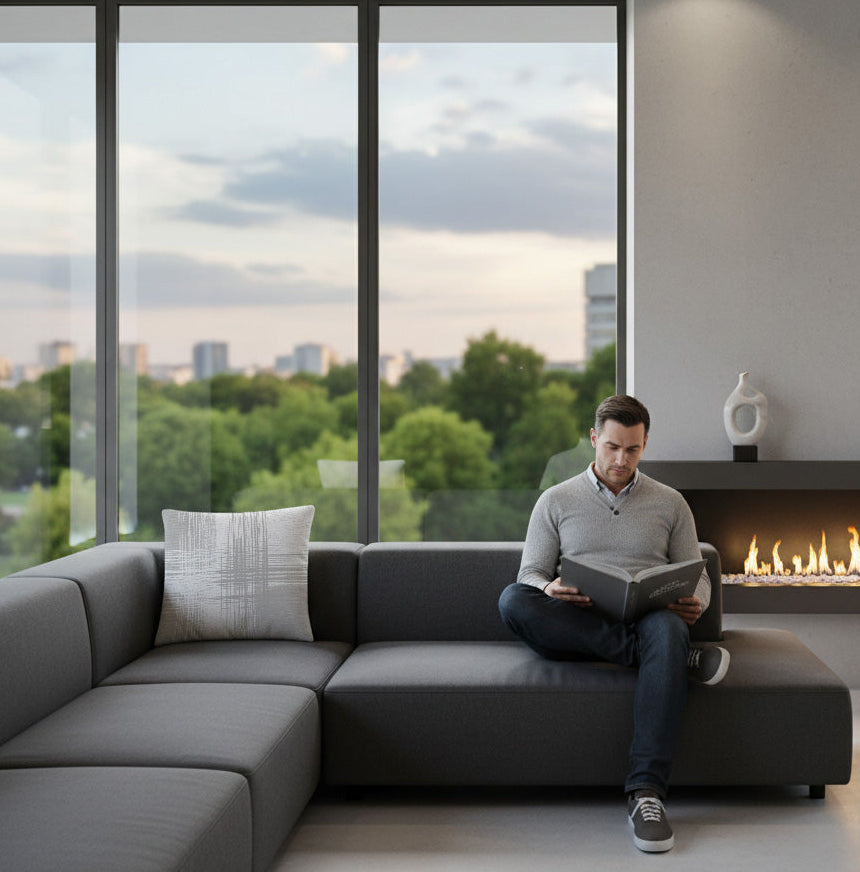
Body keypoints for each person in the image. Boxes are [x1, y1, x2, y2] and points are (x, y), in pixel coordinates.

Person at [498, 394, 730, 854]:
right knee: (513, 601)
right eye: (612, 447)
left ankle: (647, 795)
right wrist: (548, 590)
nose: (621, 459)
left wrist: (695, 602)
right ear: (593, 439)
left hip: (651, 616)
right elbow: (530, 574)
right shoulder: (556, 500)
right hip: (577, 620)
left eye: (633, 449)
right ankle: (671, 659)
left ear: (645, 444)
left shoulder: (670, 502)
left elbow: (697, 574)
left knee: (664, 631)